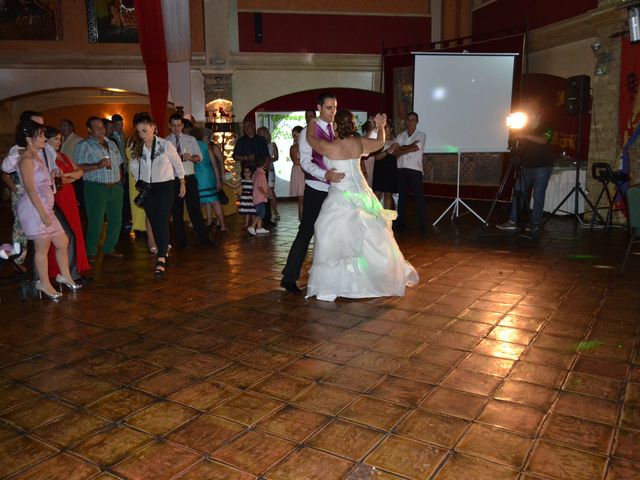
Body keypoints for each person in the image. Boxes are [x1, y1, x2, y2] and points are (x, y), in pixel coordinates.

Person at [304, 111, 418, 301]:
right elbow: (381, 143)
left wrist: (311, 122)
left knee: (330, 235)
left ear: (336, 126)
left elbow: (310, 139)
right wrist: (380, 126)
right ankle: (371, 278)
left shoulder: (330, 146)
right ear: (353, 125)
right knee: (370, 236)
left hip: (341, 195)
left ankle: (334, 285)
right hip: (363, 193)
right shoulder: (360, 143)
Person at [280, 92, 344, 293]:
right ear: (319, 107)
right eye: (328, 108)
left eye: (334, 107)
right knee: (307, 230)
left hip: (336, 189)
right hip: (317, 188)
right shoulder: (310, 131)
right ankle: (289, 277)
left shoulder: (338, 129)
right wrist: (326, 175)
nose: (333, 112)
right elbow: (305, 163)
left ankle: (334, 276)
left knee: (335, 232)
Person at [15, 120, 80, 300]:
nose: (45, 138)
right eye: (41, 135)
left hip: (46, 206)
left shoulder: (37, 156)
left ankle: (64, 275)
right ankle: (44, 283)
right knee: (42, 246)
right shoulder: (26, 160)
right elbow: (29, 188)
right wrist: (42, 213)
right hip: (34, 208)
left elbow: (40, 182)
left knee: (62, 242)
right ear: (29, 139)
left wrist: (52, 176)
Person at [129, 113, 186, 276]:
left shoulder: (166, 145)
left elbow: (177, 164)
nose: (142, 134)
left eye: (145, 130)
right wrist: (139, 179)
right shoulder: (137, 147)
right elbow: (133, 165)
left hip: (165, 187)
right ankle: (163, 247)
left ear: (153, 127)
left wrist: (182, 183)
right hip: (148, 189)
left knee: (161, 219)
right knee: (154, 221)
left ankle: (161, 257)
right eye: (139, 132)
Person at [497, 99, 554, 236]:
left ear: (538, 116)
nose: (529, 118)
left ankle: (535, 224)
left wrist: (525, 135)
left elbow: (543, 140)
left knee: (538, 195)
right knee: (518, 192)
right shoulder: (524, 128)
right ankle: (512, 221)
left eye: (532, 115)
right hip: (526, 166)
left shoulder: (546, 127)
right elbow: (516, 144)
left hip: (542, 167)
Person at [44, 127, 91, 284]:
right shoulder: (47, 158)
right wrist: (71, 177)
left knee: (75, 230)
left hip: (69, 195)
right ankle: (64, 271)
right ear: (47, 140)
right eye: (56, 139)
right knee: (64, 234)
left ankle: (75, 269)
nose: (59, 141)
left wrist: (69, 176)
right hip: (59, 198)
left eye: (60, 139)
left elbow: (79, 172)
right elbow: (58, 180)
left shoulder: (63, 155)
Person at [74, 116, 125, 261]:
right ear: (89, 130)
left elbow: (119, 163)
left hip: (115, 187)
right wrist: (97, 165)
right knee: (96, 221)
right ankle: (90, 252)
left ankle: (109, 247)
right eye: (96, 127)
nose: (100, 130)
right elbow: (77, 167)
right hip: (96, 188)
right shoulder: (83, 145)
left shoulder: (112, 144)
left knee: (116, 220)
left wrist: (120, 181)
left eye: (102, 127)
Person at [165, 114, 214, 248]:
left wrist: (191, 158)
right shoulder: (165, 142)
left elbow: (200, 157)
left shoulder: (191, 139)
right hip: (174, 180)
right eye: (173, 125)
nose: (176, 128)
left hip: (189, 178)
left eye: (179, 125)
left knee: (195, 210)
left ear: (182, 126)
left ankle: (204, 239)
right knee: (177, 212)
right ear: (170, 126)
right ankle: (181, 241)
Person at [233, 119, 273, 227]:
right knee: (251, 195)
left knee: (264, 193)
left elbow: (267, 156)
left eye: (249, 126)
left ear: (253, 126)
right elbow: (235, 156)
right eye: (245, 127)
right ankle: (252, 221)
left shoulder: (261, 139)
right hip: (248, 172)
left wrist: (266, 167)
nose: (247, 129)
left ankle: (266, 220)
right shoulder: (241, 141)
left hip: (261, 170)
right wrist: (246, 157)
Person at [392, 112, 427, 232]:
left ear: (417, 122)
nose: (410, 122)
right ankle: (401, 222)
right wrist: (408, 147)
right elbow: (394, 152)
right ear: (406, 121)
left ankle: (422, 223)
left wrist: (402, 148)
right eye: (408, 119)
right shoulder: (400, 135)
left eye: (413, 120)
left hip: (415, 170)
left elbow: (415, 148)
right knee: (402, 197)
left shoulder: (421, 135)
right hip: (401, 169)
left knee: (419, 197)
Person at [194, 128, 226, 231]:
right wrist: (218, 180)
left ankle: (197, 224)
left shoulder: (192, 146)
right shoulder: (206, 146)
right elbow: (215, 164)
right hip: (208, 176)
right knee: (214, 201)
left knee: (199, 202)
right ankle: (222, 225)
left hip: (199, 176)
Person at [372, 121, 399, 210]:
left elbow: (398, 156)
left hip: (391, 171)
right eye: (383, 128)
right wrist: (389, 150)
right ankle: (375, 218)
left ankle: (387, 219)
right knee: (377, 195)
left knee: (388, 195)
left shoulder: (396, 140)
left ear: (391, 129)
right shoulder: (379, 141)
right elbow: (376, 157)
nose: (384, 130)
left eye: (386, 128)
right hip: (380, 170)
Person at [256, 126, 280, 221]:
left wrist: (268, 160)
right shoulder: (257, 144)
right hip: (260, 169)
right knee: (262, 189)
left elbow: (277, 157)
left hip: (269, 169)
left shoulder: (272, 144)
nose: (259, 135)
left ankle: (275, 211)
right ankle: (264, 211)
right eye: (258, 133)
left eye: (261, 133)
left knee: (270, 190)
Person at [249, 156, 270, 235]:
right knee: (261, 213)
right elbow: (260, 186)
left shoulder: (256, 172)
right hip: (260, 197)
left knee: (259, 213)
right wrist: (265, 194)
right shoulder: (261, 174)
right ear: (264, 163)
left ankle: (259, 228)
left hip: (257, 196)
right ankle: (252, 226)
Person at [289, 125, 305, 220]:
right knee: (301, 196)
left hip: (306, 171)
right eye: (293, 135)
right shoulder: (293, 147)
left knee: (307, 195)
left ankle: (306, 216)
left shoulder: (308, 145)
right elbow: (296, 161)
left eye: (296, 135)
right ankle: (301, 217)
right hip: (299, 171)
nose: (294, 137)